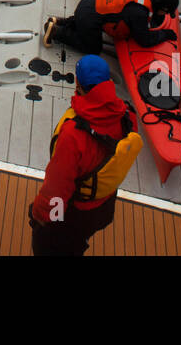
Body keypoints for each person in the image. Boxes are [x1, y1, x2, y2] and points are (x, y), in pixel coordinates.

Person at [29, 55, 141, 256]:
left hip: (75, 212)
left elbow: (58, 187)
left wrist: (41, 216)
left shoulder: (73, 135)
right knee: (77, 242)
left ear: (78, 83)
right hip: (103, 207)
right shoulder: (127, 115)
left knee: (47, 246)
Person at [43, 0, 180, 54]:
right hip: (89, 17)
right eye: (166, 13)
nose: (165, 16)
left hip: (90, 2)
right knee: (93, 49)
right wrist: (165, 34)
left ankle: (60, 21)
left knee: (92, 17)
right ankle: (57, 32)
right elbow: (144, 40)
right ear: (161, 7)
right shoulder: (139, 13)